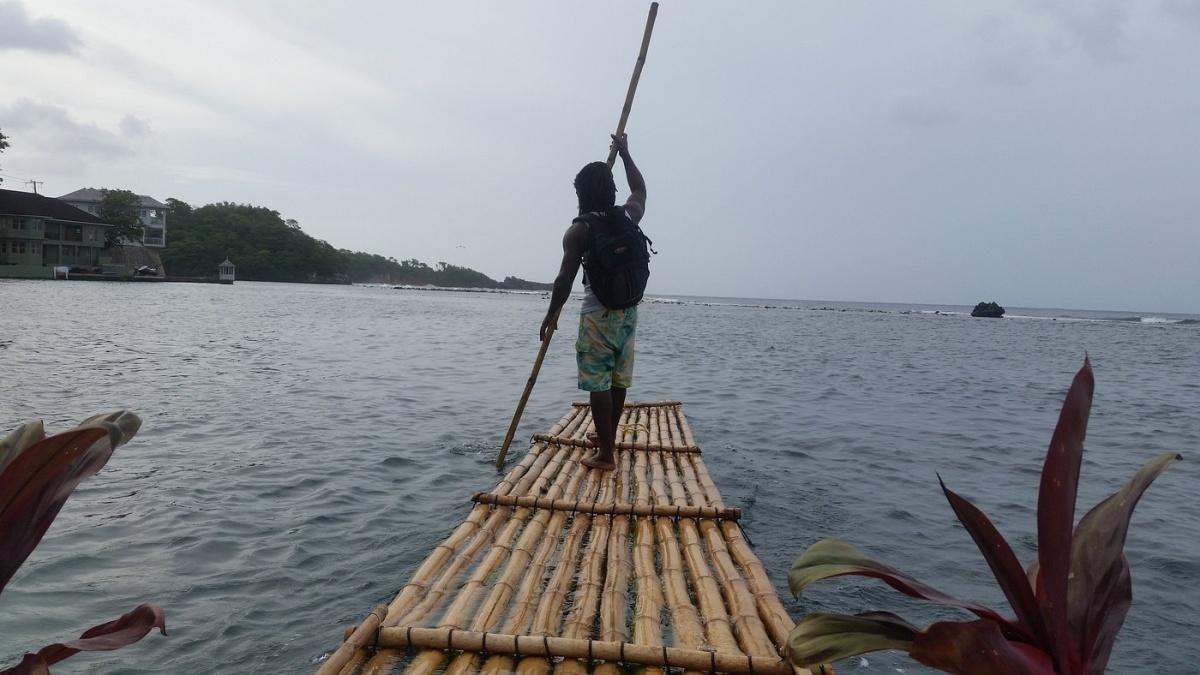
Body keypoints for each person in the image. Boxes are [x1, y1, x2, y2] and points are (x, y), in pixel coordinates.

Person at [540, 133, 648, 471]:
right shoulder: (628, 217)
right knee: (617, 381)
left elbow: (564, 279)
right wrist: (627, 154)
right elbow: (640, 191)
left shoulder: (579, 230)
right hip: (628, 312)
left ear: (582, 195)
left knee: (598, 383)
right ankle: (607, 439)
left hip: (597, 314)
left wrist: (551, 313)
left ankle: (606, 456)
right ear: (612, 191)